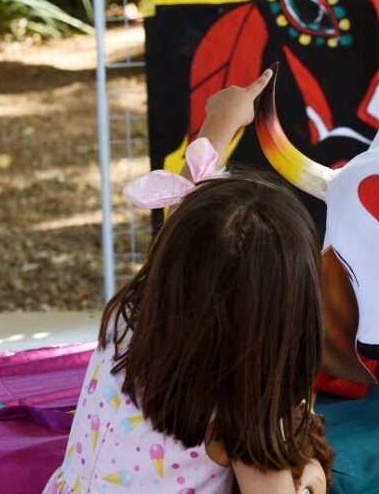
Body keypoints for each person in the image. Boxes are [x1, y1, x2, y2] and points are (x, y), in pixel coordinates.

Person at [43, 70, 332, 494]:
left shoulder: (136, 320)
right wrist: (312, 478)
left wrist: (222, 118)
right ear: (283, 315)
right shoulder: (247, 410)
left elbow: (186, 213)